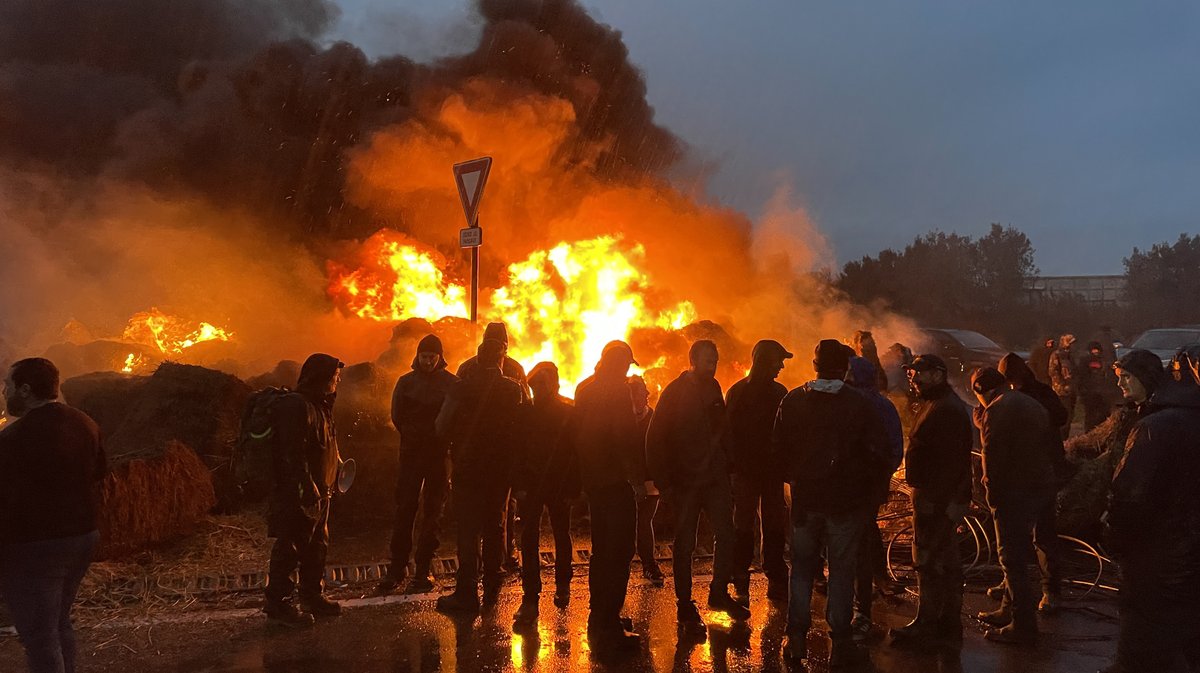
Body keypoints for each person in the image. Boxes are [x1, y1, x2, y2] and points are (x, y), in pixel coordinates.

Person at [772, 340, 888, 667]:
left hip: (806, 502)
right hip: (845, 504)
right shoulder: (859, 404)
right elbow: (876, 453)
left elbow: (778, 452)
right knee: (841, 570)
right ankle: (840, 640)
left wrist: (797, 480)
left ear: (815, 365)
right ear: (845, 367)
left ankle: (796, 639)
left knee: (802, 569)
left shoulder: (793, 400)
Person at [0, 358, 106, 673]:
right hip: (83, 537)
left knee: (39, 635)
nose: (5, 392)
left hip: (36, 545)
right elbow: (100, 473)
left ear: (26, 389)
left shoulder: (13, 439)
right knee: (58, 623)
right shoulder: (85, 423)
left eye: (8, 386)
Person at [1101, 349, 1199, 673]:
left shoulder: (1156, 426)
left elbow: (1129, 496)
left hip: (1153, 560)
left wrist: (1112, 538)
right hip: (1188, 558)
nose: (1121, 386)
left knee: (1141, 644)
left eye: (1127, 378)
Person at [647, 339, 749, 640]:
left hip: (715, 478)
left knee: (726, 534)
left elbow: (723, 428)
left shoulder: (714, 387)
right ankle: (684, 603)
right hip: (686, 483)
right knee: (685, 543)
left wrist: (729, 464)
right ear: (692, 360)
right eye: (708, 359)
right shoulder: (675, 392)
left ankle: (718, 592)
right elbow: (655, 437)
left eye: (715, 359)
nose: (713, 364)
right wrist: (663, 482)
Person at [434, 339, 524, 614]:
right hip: (500, 471)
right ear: (501, 359)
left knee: (468, 530)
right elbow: (524, 430)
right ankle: (493, 585)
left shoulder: (461, 387)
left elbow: (441, 426)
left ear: (477, 358)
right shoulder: (513, 389)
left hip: (468, 468)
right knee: (495, 525)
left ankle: (466, 593)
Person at [889, 354, 973, 645]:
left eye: (919, 373)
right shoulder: (935, 404)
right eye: (912, 373)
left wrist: (945, 502)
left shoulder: (946, 410)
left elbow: (954, 462)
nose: (913, 378)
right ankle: (946, 624)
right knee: (942, 559)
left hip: (935, 499)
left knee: (928, 560)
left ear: (938, 374)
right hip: (932, 496)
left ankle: (928, 625)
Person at [970, 368, 1055, 645]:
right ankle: (1008, 609)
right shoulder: (1029, 403)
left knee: (1011, 558)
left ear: (981, 390)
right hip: (1041, 486)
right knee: (1020, 552)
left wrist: (991, 496)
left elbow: (991, 456)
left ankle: (1023, 625)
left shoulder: (996, 410)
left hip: (1014, 493)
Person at [264, 353, 345, 625]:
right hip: (299, 492)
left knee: (317, 545)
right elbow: (292, 452)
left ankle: (312, 595)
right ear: (321, 377)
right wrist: (305, 484)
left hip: (322, 491)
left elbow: (323, 445)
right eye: (334, 376)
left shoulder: (321, 405)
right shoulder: (297, 407)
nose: (337, 380)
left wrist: (337, 469)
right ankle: (279, 604)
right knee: (291, 546)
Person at [574, 340, 644, 650]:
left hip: (594, 481)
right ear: (620, 363)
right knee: (620, 552)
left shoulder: (585, 387)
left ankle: (598, 615)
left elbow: (578, 433)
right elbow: (625, 436)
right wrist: (638, 479)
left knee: (602, 550)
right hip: (616, 482)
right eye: (628, 364)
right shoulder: (619, 390)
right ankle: (610, 624)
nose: (629, 370)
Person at [376, 335, 458, 596]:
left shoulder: (451, 384)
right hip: (411, 455)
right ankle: (397, 568)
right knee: (405, 511)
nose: (428, 361)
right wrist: (413, 436)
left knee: (433, 514)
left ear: (440, 357)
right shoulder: (406, 383)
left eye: (432, 356)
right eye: (424, 356)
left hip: (438, 456)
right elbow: (396, 416)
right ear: (417, 356)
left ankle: (423, 569)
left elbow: (456, 418)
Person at [996, 353, 1069, 613]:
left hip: (1042, 473)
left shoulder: (1040, 393)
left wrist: (1033, 410)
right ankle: (1010, 584)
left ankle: (1050, 591)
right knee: (1014, 536)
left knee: (1043, 534)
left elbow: (1061, 416)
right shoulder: (1003, 395)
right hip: (1016, 475)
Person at [456, 321, 529, 572]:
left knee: (472, 515)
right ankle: (499, 562)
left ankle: (473, 569)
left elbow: (451, 413)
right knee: (501, 512)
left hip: (469, 456)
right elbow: (524, 410)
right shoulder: (514, 372)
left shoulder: (466, 369)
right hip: (500, 457)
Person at [512, 362, 579, 629]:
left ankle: (562, 584)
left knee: (561, 534)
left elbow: (574, 455)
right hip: (531, 485)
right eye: (536, 384)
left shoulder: (567, 412)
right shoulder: (523, 413)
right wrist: (518, 484)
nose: (539, 389)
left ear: (555, 385)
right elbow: (515, 452)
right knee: (529, 539)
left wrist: (573, 488)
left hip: (558, 485)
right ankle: (531, 596)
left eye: (544, 384)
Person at [726, 339, 792, 604]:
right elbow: (728, 434)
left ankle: (772, 575)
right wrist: (733, 467)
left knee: (772, 524)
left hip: (769, 472)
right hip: (748, 472)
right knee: (744, 525)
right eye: (779, 361)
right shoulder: (742, 392)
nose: (781, 367)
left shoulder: (776, 392)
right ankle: (742, 575)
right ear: (765, 360)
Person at [847, 356, 904, 640]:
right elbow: (896, 450)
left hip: (850, 488)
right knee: (865, 534)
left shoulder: (848, 404)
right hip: (867, 488)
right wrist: (882, 477)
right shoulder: (884, 405)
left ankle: (858, 609)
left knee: (853, 544)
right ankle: (864, 600)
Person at [628, 375, 663, 587]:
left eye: (638, 392)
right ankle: (621, 568)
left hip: (651, 481)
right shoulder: (621, 420)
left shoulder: (654, 419)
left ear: (646, 394)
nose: (635, 397)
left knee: (643, 522)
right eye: (631, 394)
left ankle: (649, 564)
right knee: (626, 525)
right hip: (628, 481)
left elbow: (661, 450)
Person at [1048, 334, 1079, 438]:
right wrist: (1062, 385)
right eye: (1071, 343)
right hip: (1061, 392)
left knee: (1070, 417)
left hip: (1072, 391)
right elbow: (1053, 372)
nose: (1074, 345)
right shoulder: (1057, 354)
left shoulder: (1071, 356)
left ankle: (1065, 439)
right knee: (1063, 417)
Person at [1079, 341, 1113, 432]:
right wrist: (1083, 391)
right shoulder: (1084, 361)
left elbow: (1109, 377)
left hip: (1103, 393)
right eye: (1093, 351)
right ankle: (1089, 434)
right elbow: (1081, 377)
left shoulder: (1104, 361)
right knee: (1090, 416)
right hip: (1090, 393)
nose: (1095, 353)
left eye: (1097, 351)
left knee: (1104, 416)